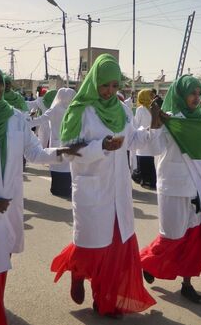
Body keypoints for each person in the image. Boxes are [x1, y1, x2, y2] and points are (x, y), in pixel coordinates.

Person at [0, 64, 82, 325]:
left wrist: (63, 151)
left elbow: (33, 153)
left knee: (1, 257)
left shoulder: (14, 117)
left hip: (9, 201)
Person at [50, 54, 158, 317]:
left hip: (118, 190)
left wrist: (154, 125)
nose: (110, 91)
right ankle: (77, 272)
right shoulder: (80, 111)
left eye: (114, 85)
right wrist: (102, 147)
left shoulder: (121, 109)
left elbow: (132, 140)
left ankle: (105, 299)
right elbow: (68, 151)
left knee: (116, 248)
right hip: (92, 188)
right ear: (94, 81)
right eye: (104, 85)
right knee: (92, 245)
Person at [140, 75, 201, 304]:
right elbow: (154, 148)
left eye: (200, 94)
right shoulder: (170, 120)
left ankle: (187, 284)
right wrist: (155, 121)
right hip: (173, 186)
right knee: (171, 237)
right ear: (181, 95)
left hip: (198, 188)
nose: (197, 98)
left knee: (193, 241)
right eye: (192, 93)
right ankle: (144, 262)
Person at [28, 88, 77, 197]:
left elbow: (40, 120)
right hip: (70, 143)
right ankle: (66, 190)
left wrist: (24, 124)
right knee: (67, 166)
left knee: (56, 165)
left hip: (56, 143)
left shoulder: (55, 109)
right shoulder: (74, 110)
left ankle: (56, 189)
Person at [133, 89, 157, 189]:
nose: (152, 97)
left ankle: (148, 182)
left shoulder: (147, 109)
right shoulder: (146, 109)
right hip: (147, 138)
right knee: (147, 162)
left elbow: (136, 125)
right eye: (150, 95)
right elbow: (136, 125)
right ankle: (148, 181)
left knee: (147, 162)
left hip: (147, 138)